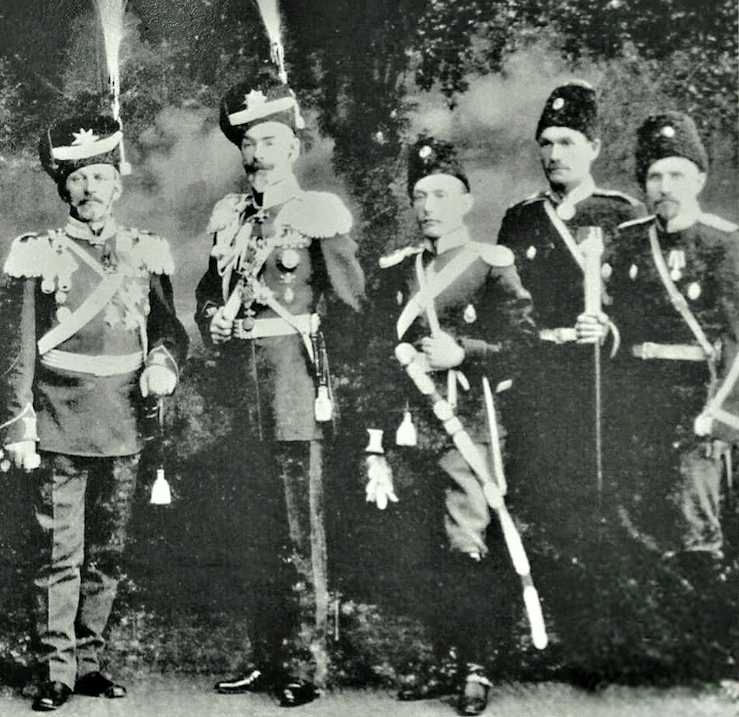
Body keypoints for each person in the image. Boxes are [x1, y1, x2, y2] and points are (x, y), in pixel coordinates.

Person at [0, 113, 186, 712]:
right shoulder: (37, 253)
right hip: (59, 418)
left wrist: (161, 363)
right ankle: (55, 668)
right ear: (64, 188)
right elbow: (19, 346)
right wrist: (19, 422)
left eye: (100, 177)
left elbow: (169, 329)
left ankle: (89, 662)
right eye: (77, 179)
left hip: (125, 420)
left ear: (117, 184)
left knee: (107, 551)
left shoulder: (145, 251)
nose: (89, 189)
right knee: (60, 553)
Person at [194, 72, 365, 708]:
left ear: (292, 147)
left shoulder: (317, 214)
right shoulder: (230, 217)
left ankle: (306, 663)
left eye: (269, 141)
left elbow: (351, 307)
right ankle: (265, 657)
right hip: (241, 396)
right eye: (248, 143)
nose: (257, 154)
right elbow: (208, 292)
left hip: (295, 390)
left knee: (301, 533)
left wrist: (336, 390)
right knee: (253, 531)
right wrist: (210, 319)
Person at [365, 138, 535, 715]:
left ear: (465, 202)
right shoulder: (398, 270)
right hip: (412, 427)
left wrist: (463, 351)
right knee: (424, 546)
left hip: (469, 425)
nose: (428, 206)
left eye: (441, 194)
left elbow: (523, 346)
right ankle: (443, 659)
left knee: (466, 544)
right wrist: (376, 442)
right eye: (420, 195)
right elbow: (378, 360)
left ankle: (475, 667)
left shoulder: (490, 265)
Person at [494, 81, 643, 682]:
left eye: (569, 142)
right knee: (543, 505)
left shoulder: (621, 215)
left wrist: (609, 327)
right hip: (538, 383)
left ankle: (599, 644)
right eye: (547, 143)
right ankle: (546, 638)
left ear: (595, 147)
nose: (554, 154)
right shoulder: (520, 220)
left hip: (603, 384)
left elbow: (645, 307)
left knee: (601, 506)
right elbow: (502, 307)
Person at [590, 111, 739, 591]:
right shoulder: (629, 242)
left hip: (697, 403)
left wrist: (722, 419)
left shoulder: (724, 243)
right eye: (655, 176)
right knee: (638, 521)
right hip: (636, 399)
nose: (665, 186)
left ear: (700, 178)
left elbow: (737, 339)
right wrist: (602, 328)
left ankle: (707, 628)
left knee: (696, 527)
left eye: (676, 174)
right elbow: (618, 325)